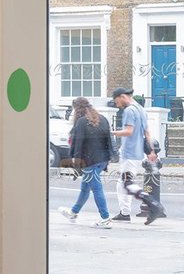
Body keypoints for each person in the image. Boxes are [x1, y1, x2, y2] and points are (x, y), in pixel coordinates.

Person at [109, 87, 165, 225]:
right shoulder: (140, 109)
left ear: (122, 96)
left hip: (129, 152)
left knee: (127, 183)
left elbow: (128, 131)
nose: (117, 105)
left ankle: (153, 205)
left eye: (116, 101)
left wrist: (111, 133)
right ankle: (124, 213)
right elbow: (147, 132)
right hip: (137, 153)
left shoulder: (129, 110)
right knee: (122, 183)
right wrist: (151, 151)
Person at [58, 97, 113, 228]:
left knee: (96, 188)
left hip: (90, 161)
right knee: (85, 187)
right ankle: (73, 212)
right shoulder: (102, 119)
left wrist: (76, 164)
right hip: (102, 160)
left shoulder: (81, 122)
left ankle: (105, 218)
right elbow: (109, 140)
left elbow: (78, 145)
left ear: (77, 109)